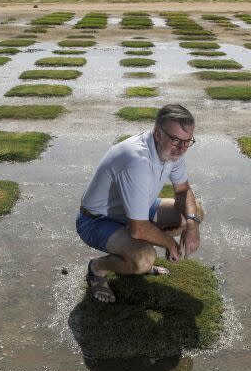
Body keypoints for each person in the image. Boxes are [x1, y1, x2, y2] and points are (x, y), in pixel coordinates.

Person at [76, 104, 204, 303]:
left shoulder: (172, 150)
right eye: (177, 140)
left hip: (137, 210)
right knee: (144, 259)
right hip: (96, 220)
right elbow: (138, 228)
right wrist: (170, 244)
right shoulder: (136, 160)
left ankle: (132, 254)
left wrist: (192, 223)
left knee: (193, 212)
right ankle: (97, 268)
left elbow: (183, 190)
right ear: (158, 133)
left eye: (188, 141)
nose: (182, 148)